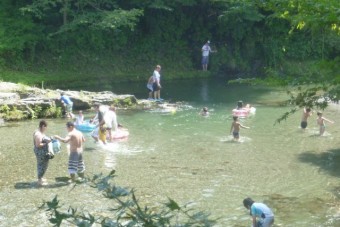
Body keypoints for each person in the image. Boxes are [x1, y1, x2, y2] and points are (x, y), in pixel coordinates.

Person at [33, 120, 51, 186]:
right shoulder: (38, 134)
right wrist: (46, 142)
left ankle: (40, 178)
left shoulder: (39, 131)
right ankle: (39, 181)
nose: (46, 128)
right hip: (40, 152)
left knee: (41, 165)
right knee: (42, 165)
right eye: (46, 127)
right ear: (43, 126)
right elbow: (38, 145)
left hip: (41, 151)